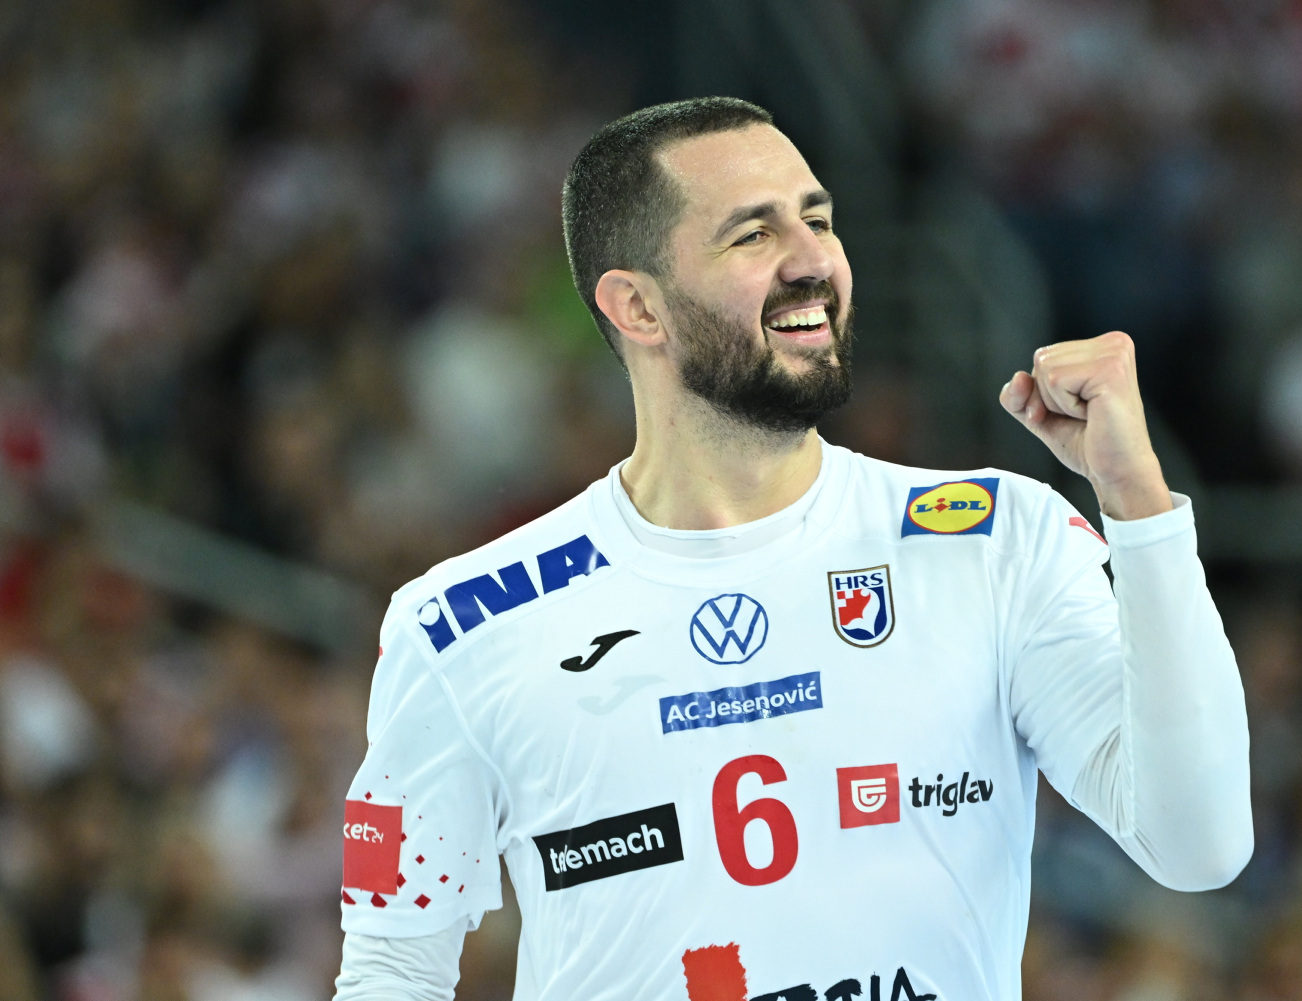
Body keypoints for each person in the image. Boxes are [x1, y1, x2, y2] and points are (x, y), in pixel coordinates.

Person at [331, 97, 1252, 1001]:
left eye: (819, 220)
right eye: (753, 234)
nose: (815, 260)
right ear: (638, 306)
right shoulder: (461, 625)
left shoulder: (996, 539)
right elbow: (392, 969)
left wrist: (1140, 508)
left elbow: (1200, 844)